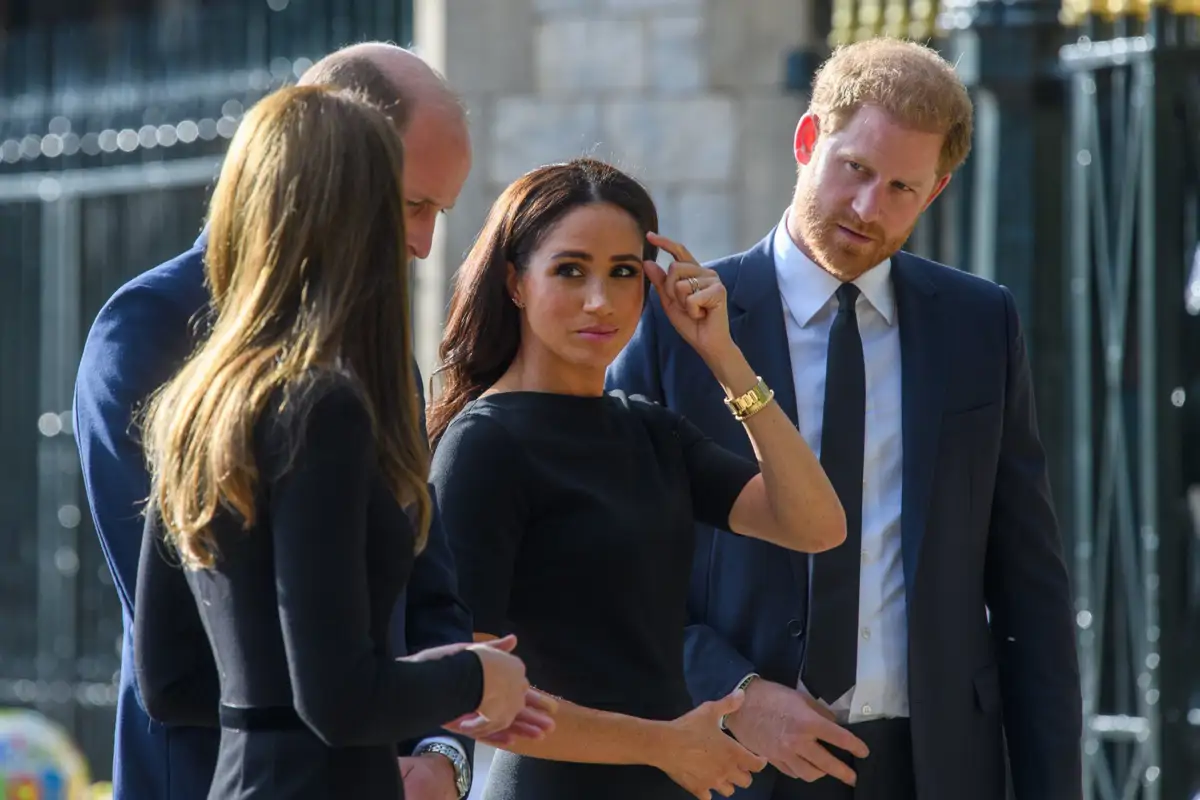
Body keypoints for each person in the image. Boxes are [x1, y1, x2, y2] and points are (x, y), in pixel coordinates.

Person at [608, 37, 1083, 800]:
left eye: (901, 187)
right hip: (733, 762)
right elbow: (611, 568)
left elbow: (1029, 582)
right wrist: (737, 692)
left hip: (931, 767)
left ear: (934, 193)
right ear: (807, 140)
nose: (869, 208)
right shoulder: (676, 322)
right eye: (855, 169)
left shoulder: (979, 323)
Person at [72, 43, 527, 800]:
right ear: (333, 174)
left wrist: (439, 751)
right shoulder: (152, 328)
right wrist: (465, 681)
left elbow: (427, 581)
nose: (421, 244)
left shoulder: (364, 362)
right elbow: (222, 646)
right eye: (411, 204)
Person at [426, 157, 858, 800]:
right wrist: (660, 743)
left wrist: (723, 355)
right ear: (516, 282)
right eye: (570, 270)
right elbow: (470, 694)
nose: (600, 300)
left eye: (623, 273)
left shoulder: (650, 431)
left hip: (680, 780)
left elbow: (817, 525)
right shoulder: (484, 446)